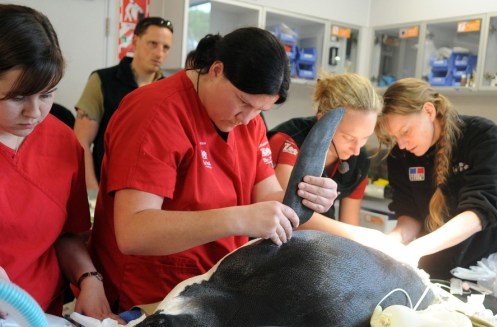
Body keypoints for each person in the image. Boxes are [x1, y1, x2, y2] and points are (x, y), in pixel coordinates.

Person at [89, 27, 339, 312]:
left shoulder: (250, 121)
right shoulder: (155, 111)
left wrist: (307, 197)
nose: (248, 119)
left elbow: (268, 194)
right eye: (244, 103)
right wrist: (239, 218)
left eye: (261, 110)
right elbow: (133, 232)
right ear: (216, 70)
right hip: (148, 296)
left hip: (214, 289)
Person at [0, 4, 120, 322]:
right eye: (17, 98)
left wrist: (89, 280)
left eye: (47, 95)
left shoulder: (63, 141)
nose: (34, 113)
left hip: (39, 324)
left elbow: (68, 234)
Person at [375, 77, 497, 279]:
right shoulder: (401, 156)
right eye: (395, 137)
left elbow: (479, 212)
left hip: (486, 266)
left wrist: (418, 247)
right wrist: (394, 240)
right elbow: (409, 213)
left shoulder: (483, 137)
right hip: (433, 262)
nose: (402, 144)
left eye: (406, 131)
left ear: (429, 111)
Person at [74, 16, 174, 190]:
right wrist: (91, 191)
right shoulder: (102, 80)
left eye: (166, 48)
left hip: (150, 190)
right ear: (135, 41)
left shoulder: (169, 90)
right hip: (106, 187)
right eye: (153, 44)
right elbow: (81, 141)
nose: (159, 53)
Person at [268, 72, 380, 226]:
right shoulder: (288, 141)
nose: (356, 150)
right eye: (348, 137)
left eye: (365, 138)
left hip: (321, 240)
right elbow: (290, 215)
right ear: (323, 120)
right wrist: (359, 236)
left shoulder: (360, 161)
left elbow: (350, 222)